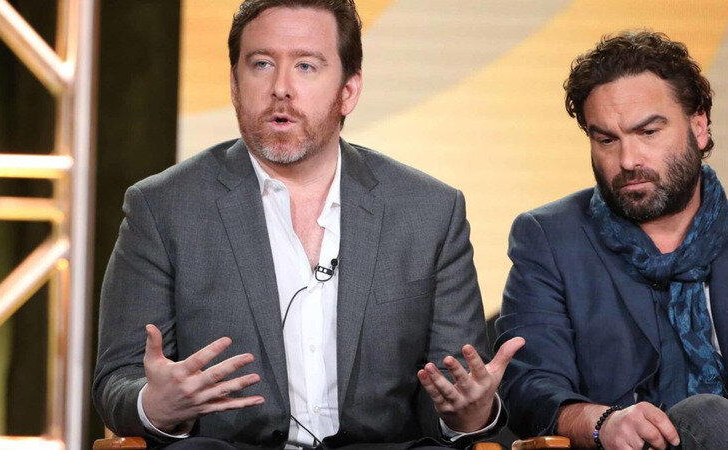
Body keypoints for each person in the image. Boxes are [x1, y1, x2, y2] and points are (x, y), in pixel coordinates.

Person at [93, 1, 523, 448]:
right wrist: (156, 404)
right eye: (261, 64)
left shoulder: (429, 211)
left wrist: (469, 414)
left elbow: (458, 389)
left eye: (306, 66)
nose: (281, 88)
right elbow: (117, 382)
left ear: (348, 91)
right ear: (235, 85)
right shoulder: (163, 208)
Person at [495, 30, 728, 450]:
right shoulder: (550, 239)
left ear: (699, 127)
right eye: (606, 140)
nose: (628, 161)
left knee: (710, 417)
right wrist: (602, 422)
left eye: (648, 132)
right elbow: (530, 389)